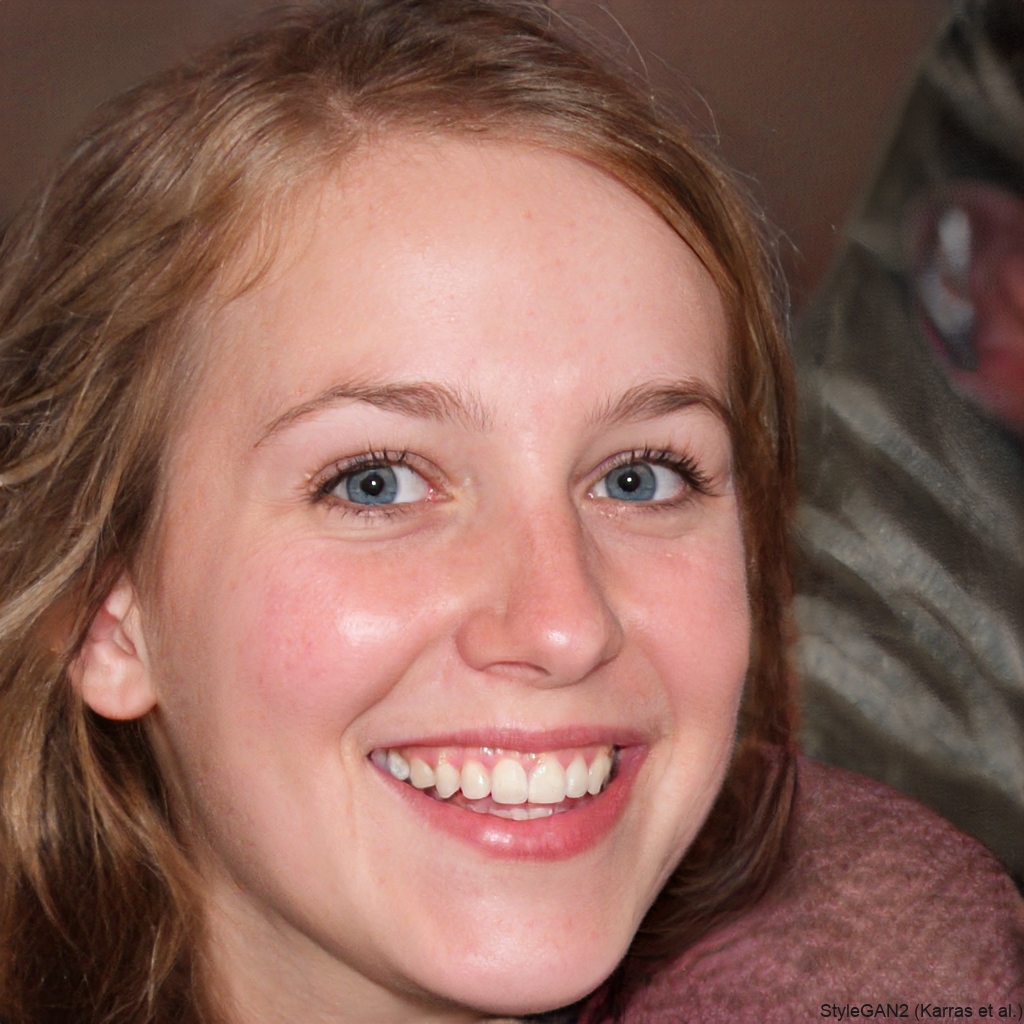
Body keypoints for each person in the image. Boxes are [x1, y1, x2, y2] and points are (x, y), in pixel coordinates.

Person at [0, 2, 1019, 1022]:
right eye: (377, 482)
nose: (564, 625)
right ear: (107, 613)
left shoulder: (887, 966)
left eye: (640, 477)